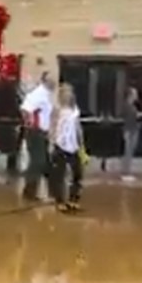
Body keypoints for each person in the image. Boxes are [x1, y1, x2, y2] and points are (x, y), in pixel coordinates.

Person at [19, 71, 56, 201]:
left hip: (42, 132)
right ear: (44, 80)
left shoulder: (46, 94)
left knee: (45, 162)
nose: (54, 82)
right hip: (36, 132)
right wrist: (30, 123)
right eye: (51, 79)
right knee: (38, 161)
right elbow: (25, 109)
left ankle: (52, 191)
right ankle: (29, 191)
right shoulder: (38, 94)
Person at [48, 83, 84, 212]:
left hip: (73, 145)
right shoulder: (57, 109)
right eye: (66, 92)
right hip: (60, 145)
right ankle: (60, 201)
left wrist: (81, 143)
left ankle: (73, 199)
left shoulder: (75, 110)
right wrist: (52, 142)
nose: (69, 95)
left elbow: (78, 127)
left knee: (77, 173)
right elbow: (52, 127)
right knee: (59, 174)